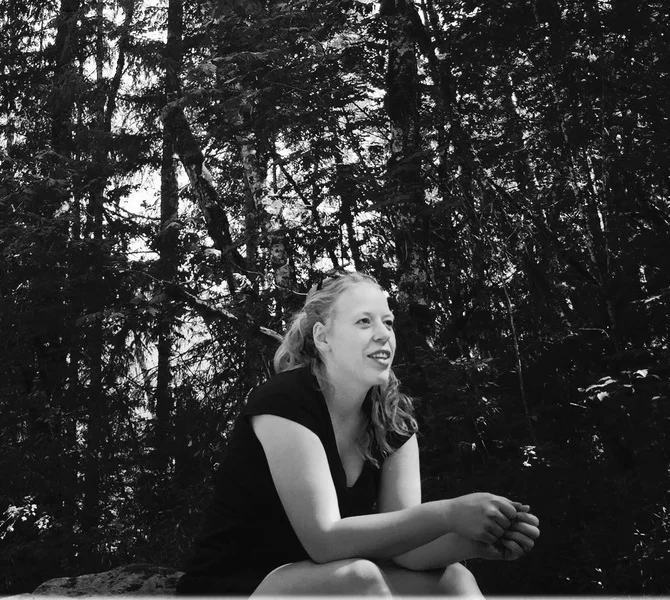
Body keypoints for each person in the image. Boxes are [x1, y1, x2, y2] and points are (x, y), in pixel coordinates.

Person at [177, 270, 540, 596]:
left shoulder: (393, 420)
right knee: (358, 580)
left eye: (388, 322)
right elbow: (324, 541)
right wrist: (449, 514)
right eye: (364, 321)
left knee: (453, 581)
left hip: (321, 581)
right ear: (323, 338)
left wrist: (475, 541)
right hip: (237, 586)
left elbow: (406, 548)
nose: (384, 334)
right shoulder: (285, 402)